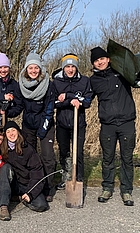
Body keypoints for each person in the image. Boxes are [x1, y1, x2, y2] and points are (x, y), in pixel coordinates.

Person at [90, 46, 140, 206]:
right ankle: (107, 188)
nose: (100, 62)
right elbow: (85, 98)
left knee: (127, 158)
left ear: (108, 59)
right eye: (96, 60)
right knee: (107, 158)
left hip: (126, 123)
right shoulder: (93, 80)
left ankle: (126, 191)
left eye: (102, 58)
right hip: (107, 125)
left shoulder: (122, 72)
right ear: (93, 64)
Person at [18, 53, 56, 202]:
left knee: (47, 157)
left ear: (40, 69)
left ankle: (48, 186)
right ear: (26, 69)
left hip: (45, 124)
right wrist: (8, 108)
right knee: (30, 156)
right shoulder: (21, 84)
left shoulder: (48, 84)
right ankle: (32, 187)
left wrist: (43, 129)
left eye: (36, 68)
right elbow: (20, 106)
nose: (33, 70)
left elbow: (49, 108)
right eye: (30, 68)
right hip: (28, 125)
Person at [52, 54, 92, 189]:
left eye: (73, 67)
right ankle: (66, 177)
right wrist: (70, 101)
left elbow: (87, 102)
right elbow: (55, 103)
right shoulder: (57, 83)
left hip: (78, 123)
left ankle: (78, 178)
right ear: (63, 68)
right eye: (67, 67)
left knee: (78, 152)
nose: (70, 70)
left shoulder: (85, 81)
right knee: (64, 151)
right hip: (62, 123)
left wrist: (69, 96)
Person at [0, 121, 49, 221]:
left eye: (13, 130)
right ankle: (3, 206)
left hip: (27, 185)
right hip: (13, 182)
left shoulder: (28, 149)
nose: (11, 134)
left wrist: (30, 193)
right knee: (5, 167)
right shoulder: (2, 148)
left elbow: (37, 174)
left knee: (41, 205)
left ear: (18, 132)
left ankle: (20, 198)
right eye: (8, 132)